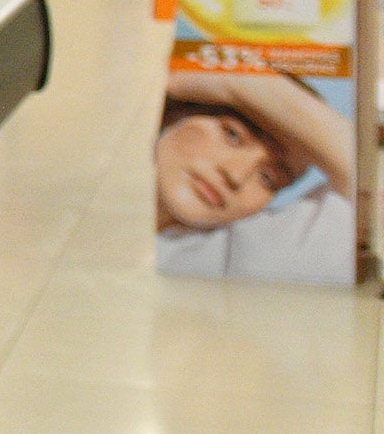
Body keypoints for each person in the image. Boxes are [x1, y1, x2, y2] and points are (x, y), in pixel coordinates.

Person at [152, 67, 354, 278]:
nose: (236, 176)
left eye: (268, 178)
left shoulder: (241, 260)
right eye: (232, 135)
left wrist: (236, 84)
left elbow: (370, 175)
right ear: (174, 113)